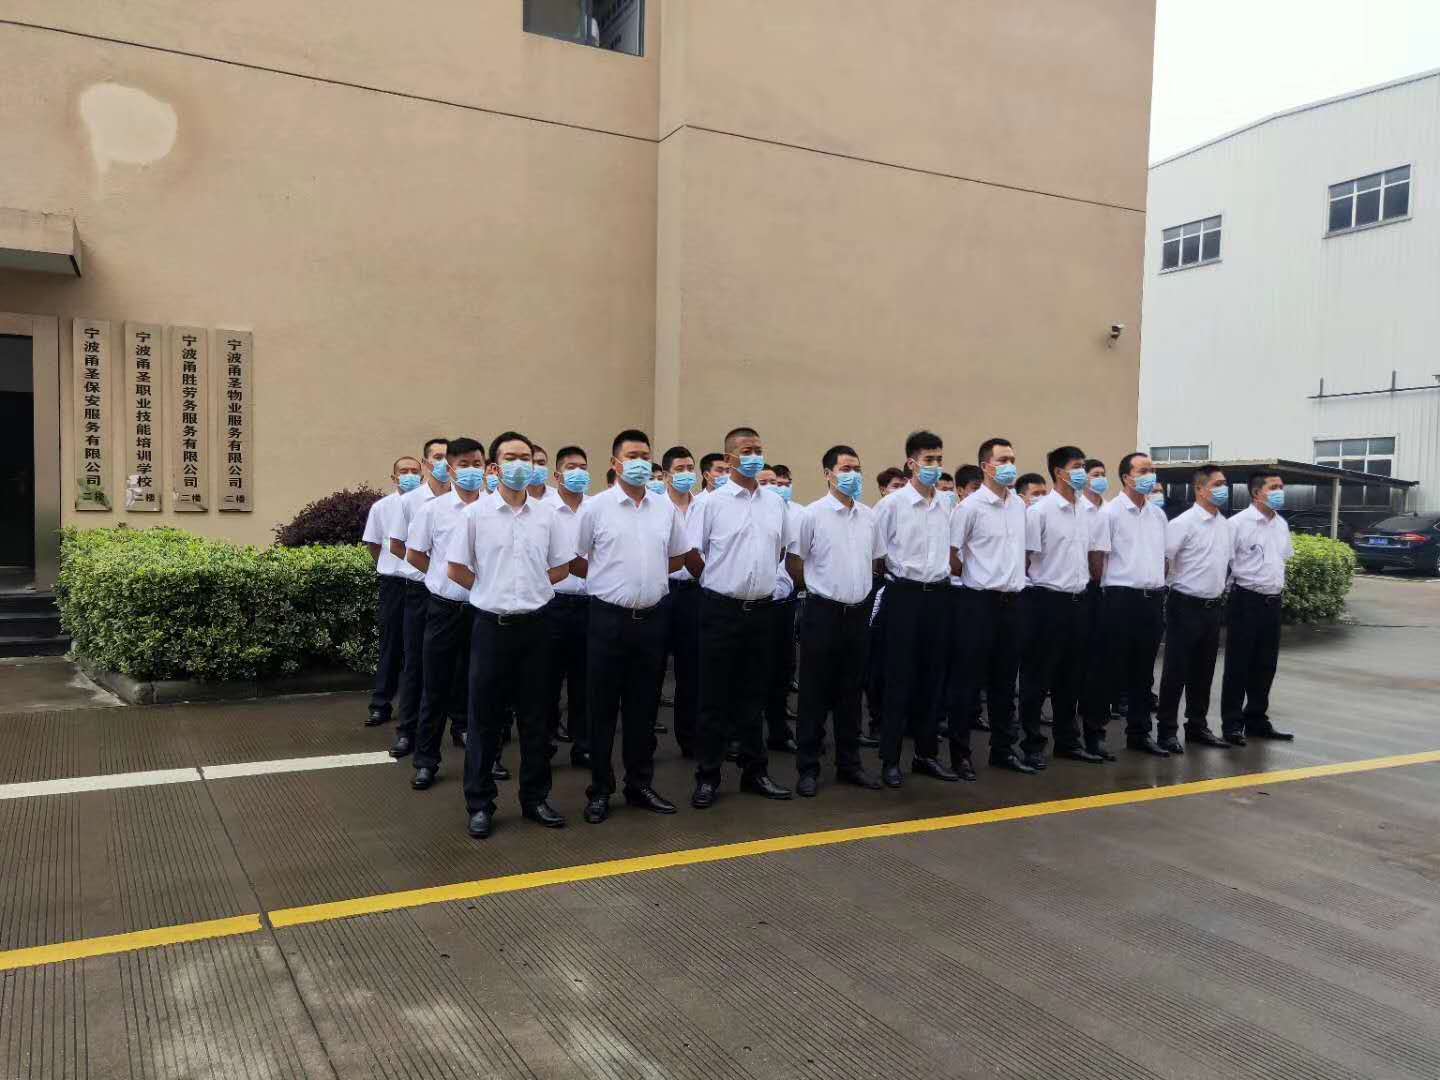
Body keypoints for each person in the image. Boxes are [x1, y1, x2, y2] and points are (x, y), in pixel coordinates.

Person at [446, 431, 574, 839]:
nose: (521, 465)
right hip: (491, 628)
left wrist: (531, 591)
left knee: (537, 719)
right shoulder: (475, 515)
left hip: (536, 628)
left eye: (527, 458)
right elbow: (457, 569)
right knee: (485, 720)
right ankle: (480, 804)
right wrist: (492, 591)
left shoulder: (547, 515)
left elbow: (561, 567)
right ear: (494, 467)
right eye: (511, 458)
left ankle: (535, 798)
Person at [572, 429, 692, 823]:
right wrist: (612, 581)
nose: (640, 463)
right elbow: (578, 559)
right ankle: (600, 789)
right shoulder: (596, 508)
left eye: (645, 456)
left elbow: (677, 557)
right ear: (615, 463)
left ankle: (639, 784)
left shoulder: (664, 509)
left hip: (652, 620)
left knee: (644, 708)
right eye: (632, 456)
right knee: (602, 709)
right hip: (607, 620)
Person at [690, 426, 794, 807]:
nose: (754, 457)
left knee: (755, 695)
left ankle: (755, 771)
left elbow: (780, 550)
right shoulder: (710, 503)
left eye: (758, 450)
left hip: (761, 610)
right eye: (747, 450)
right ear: (729, 457)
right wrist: (720, 582)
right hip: (721, 609)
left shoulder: (775, 504)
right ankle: (708, 776)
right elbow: (693, 554)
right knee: (714, 697)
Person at [787, 445, 885, 795]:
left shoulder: (869, 517)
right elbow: (795, 563)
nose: (853, 475)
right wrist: (819, 590)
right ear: (828, 474)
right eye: (845, 469)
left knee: (851, 693)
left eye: (856, 468)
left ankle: (850, 764)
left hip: (858, 614)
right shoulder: (811, 515)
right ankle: (808, 767)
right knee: (814, 693)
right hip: (822, 613)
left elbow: (876, 561)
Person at [871, 431, 955, 788]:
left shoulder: (947, 503)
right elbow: (876, 555)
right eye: (928, 460)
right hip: (903, 595)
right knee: (899, 678)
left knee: (933, 677)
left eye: (939, 459)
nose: (935, 466)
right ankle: (890, 759)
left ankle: (926, 754)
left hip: (938, 595)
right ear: (911, 463)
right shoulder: (891, 505)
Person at [948, 437, 1032, 780]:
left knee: (1004, 681)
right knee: (967, 683)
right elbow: (952, 555)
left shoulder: (1019, 506)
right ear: (986, 466)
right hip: (978, 603)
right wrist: (977, 577)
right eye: (1003, 460)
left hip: (1013, 603)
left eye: (1012, 458)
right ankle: (960, 754)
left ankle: (1003, 749)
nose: (1010, 465)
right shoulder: (969, 507)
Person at [406, 437, 487, 789]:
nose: (471, 470)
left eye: (477, 464)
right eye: (464, 464)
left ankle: (485, 757)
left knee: (481, 687)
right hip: (444, 608)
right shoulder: (433, 510)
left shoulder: (494, 509)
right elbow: (415, 554)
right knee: (435, 685)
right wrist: (441, 577)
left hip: (483, 610)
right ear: (450, 469)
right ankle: (426, 760)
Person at [1018, 446, 1104, 768]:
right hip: (1046, 601)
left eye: (1084, 466)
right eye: (1077, 466)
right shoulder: (1039, 512)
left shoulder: (1086, 511)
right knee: (1038, 678)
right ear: (1058, 472)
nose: (1082, 472)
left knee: (1071, 677)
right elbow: (1025, 559)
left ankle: (1067, 741)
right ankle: (1032, 744)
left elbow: (1093, 557)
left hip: (1079, 600)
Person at [1090, 452, 1170, 757]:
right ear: (1126, 477)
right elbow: (1097, 559)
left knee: (1143, 672)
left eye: (1152, 470)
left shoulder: (1158, 515)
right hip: (1120, 598)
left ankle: (1139, 732)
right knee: (1109, 669)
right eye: (1143, 470)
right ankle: (1095, 734)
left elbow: (1164, 558)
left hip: (1152, 599)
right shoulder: (1109, 513)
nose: (1150, 475)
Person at [1157, 464, 1235, 753]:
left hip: (1213, 607)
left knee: (1204, 671)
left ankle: (1197, 726)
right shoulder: (1183, 523)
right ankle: (1167, 730)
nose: (1223, 489)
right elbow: (1164, 560)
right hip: (1184, 605)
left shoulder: (1225, 525)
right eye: (1217, 484)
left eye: (1224, 483)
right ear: (1200, 489)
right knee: (1176, 671)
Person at [386, 438, 450, 758]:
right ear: (425, 463)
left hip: (455, 596)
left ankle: (461, 726)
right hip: (420, 590)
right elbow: (397, 545)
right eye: (437, 457)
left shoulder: (468, 500)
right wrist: (434, 572)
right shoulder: (410, 500)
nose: (443, 463)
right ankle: (406, 730)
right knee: (415, 664)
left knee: (459, 665)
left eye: (447, 457)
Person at [1221, 472, 1295, 745]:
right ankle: (1232, 723)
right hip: (1245, 600)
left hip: (1272, 601)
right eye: (1274, 487)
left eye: (1281, 486)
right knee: (1238, 665)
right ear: (1256, 493)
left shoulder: (1281, 524)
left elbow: (1281, 560)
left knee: (1266, 665)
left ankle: (1256, 719)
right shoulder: (1237, 524)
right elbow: (1224, 563)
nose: (1280, 491)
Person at [363, 456, 422, 727]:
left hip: (422, 585)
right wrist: (390, 566)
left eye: (414, 471)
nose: (409, 475)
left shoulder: (429, 505)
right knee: (391, 644)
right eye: (403, 471)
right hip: (394, 584)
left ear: (422, 475)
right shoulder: (381, 507)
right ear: (394, 477)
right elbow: (374, 544)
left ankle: (419, 705)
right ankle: (381, 704)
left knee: (419, 649)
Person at [545, 445, 592, 765]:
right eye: (571, 467)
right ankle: (546, 741)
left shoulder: (596, 508)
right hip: (553, 603)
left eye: (583, 467)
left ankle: (583, 744)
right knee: (548, 677)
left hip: (589, 603)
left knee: (585, 679)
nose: (578, 472)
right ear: (557, 475)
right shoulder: (544, 510)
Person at [659, 446, 704, 756]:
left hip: (694, 592)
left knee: (691, 669)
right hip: (662, 591)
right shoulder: (655, 507)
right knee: (653, 667)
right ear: (666, 475)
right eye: (680, 468)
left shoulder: (704, 506)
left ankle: (689, 738)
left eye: (690, 467)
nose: (686, 473)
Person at [757, 465, 798, 753]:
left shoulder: (794, 514)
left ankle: (778, 730)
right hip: (755, 604)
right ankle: (740, 734)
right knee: (752, 671)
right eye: (766, 482)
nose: (774, 487)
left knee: (782, 670)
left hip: (783, 602)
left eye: (779, 482)